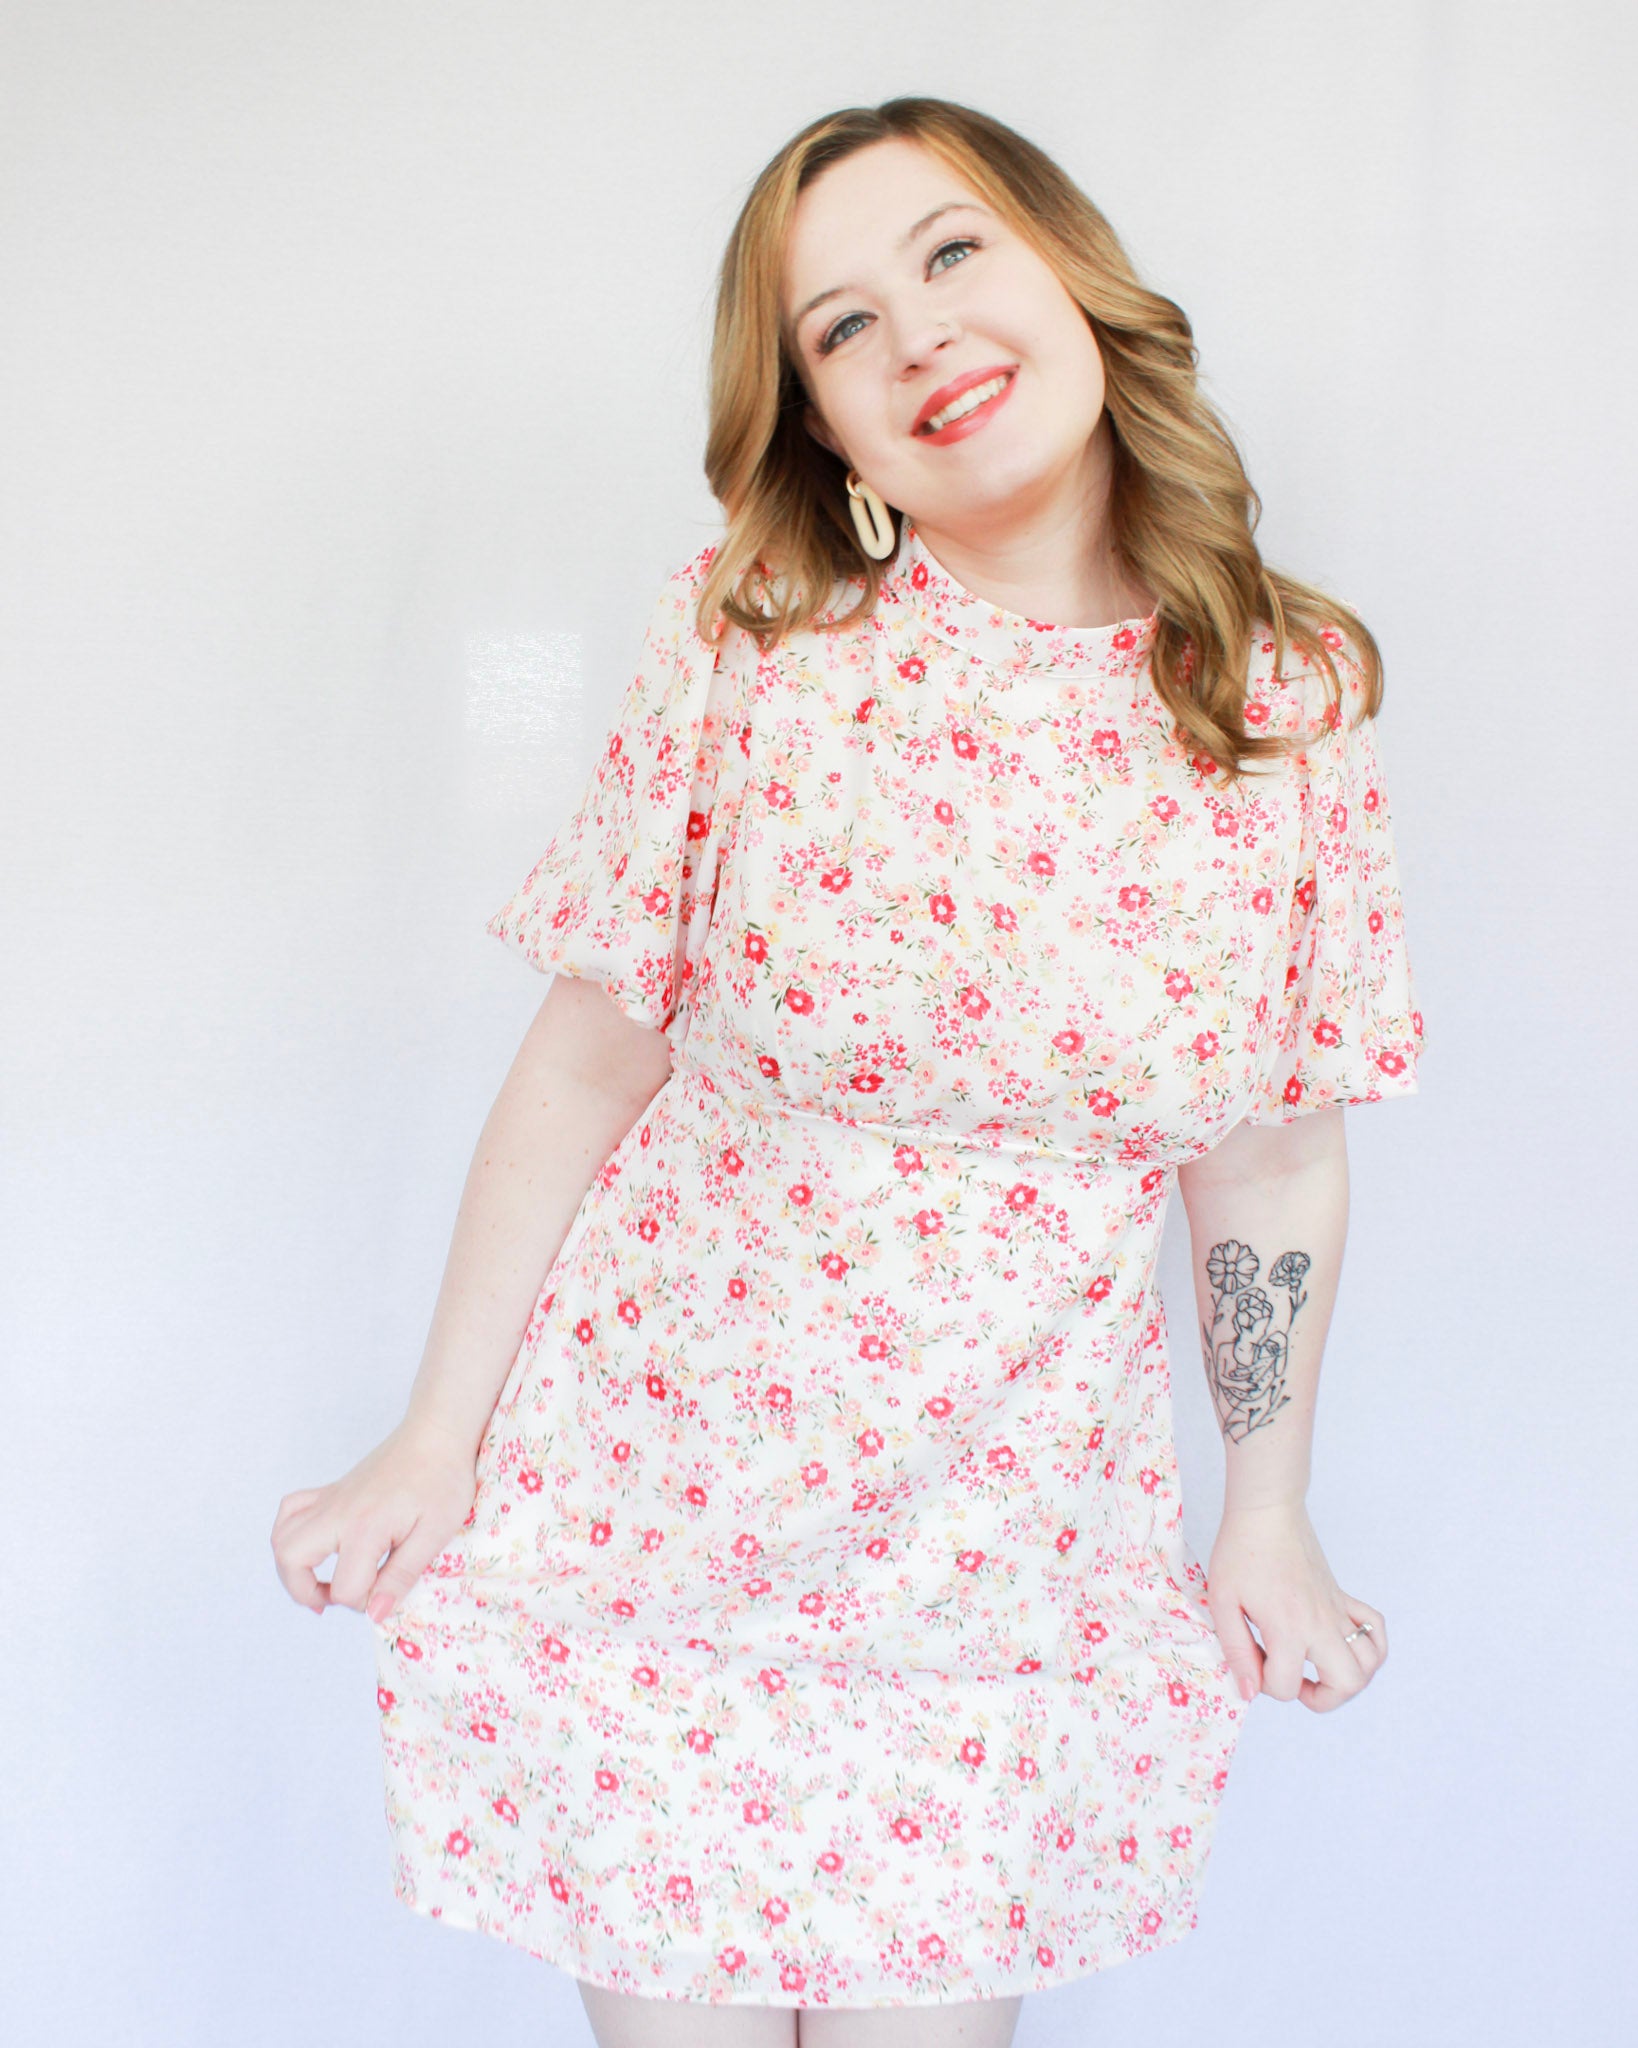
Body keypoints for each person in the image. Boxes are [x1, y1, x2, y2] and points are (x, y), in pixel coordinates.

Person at [271, 95, 1427, 2048]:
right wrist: (433, 1435)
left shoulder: (1277, 699)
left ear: (1071, 270)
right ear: (822, 420)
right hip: (655, 1513)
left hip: (999, 1555)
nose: (922, 339)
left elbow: (1272, 1160)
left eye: (954, 254)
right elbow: (585, 1064)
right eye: (842, 327)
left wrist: (1267, 1508)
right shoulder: (756, 637)